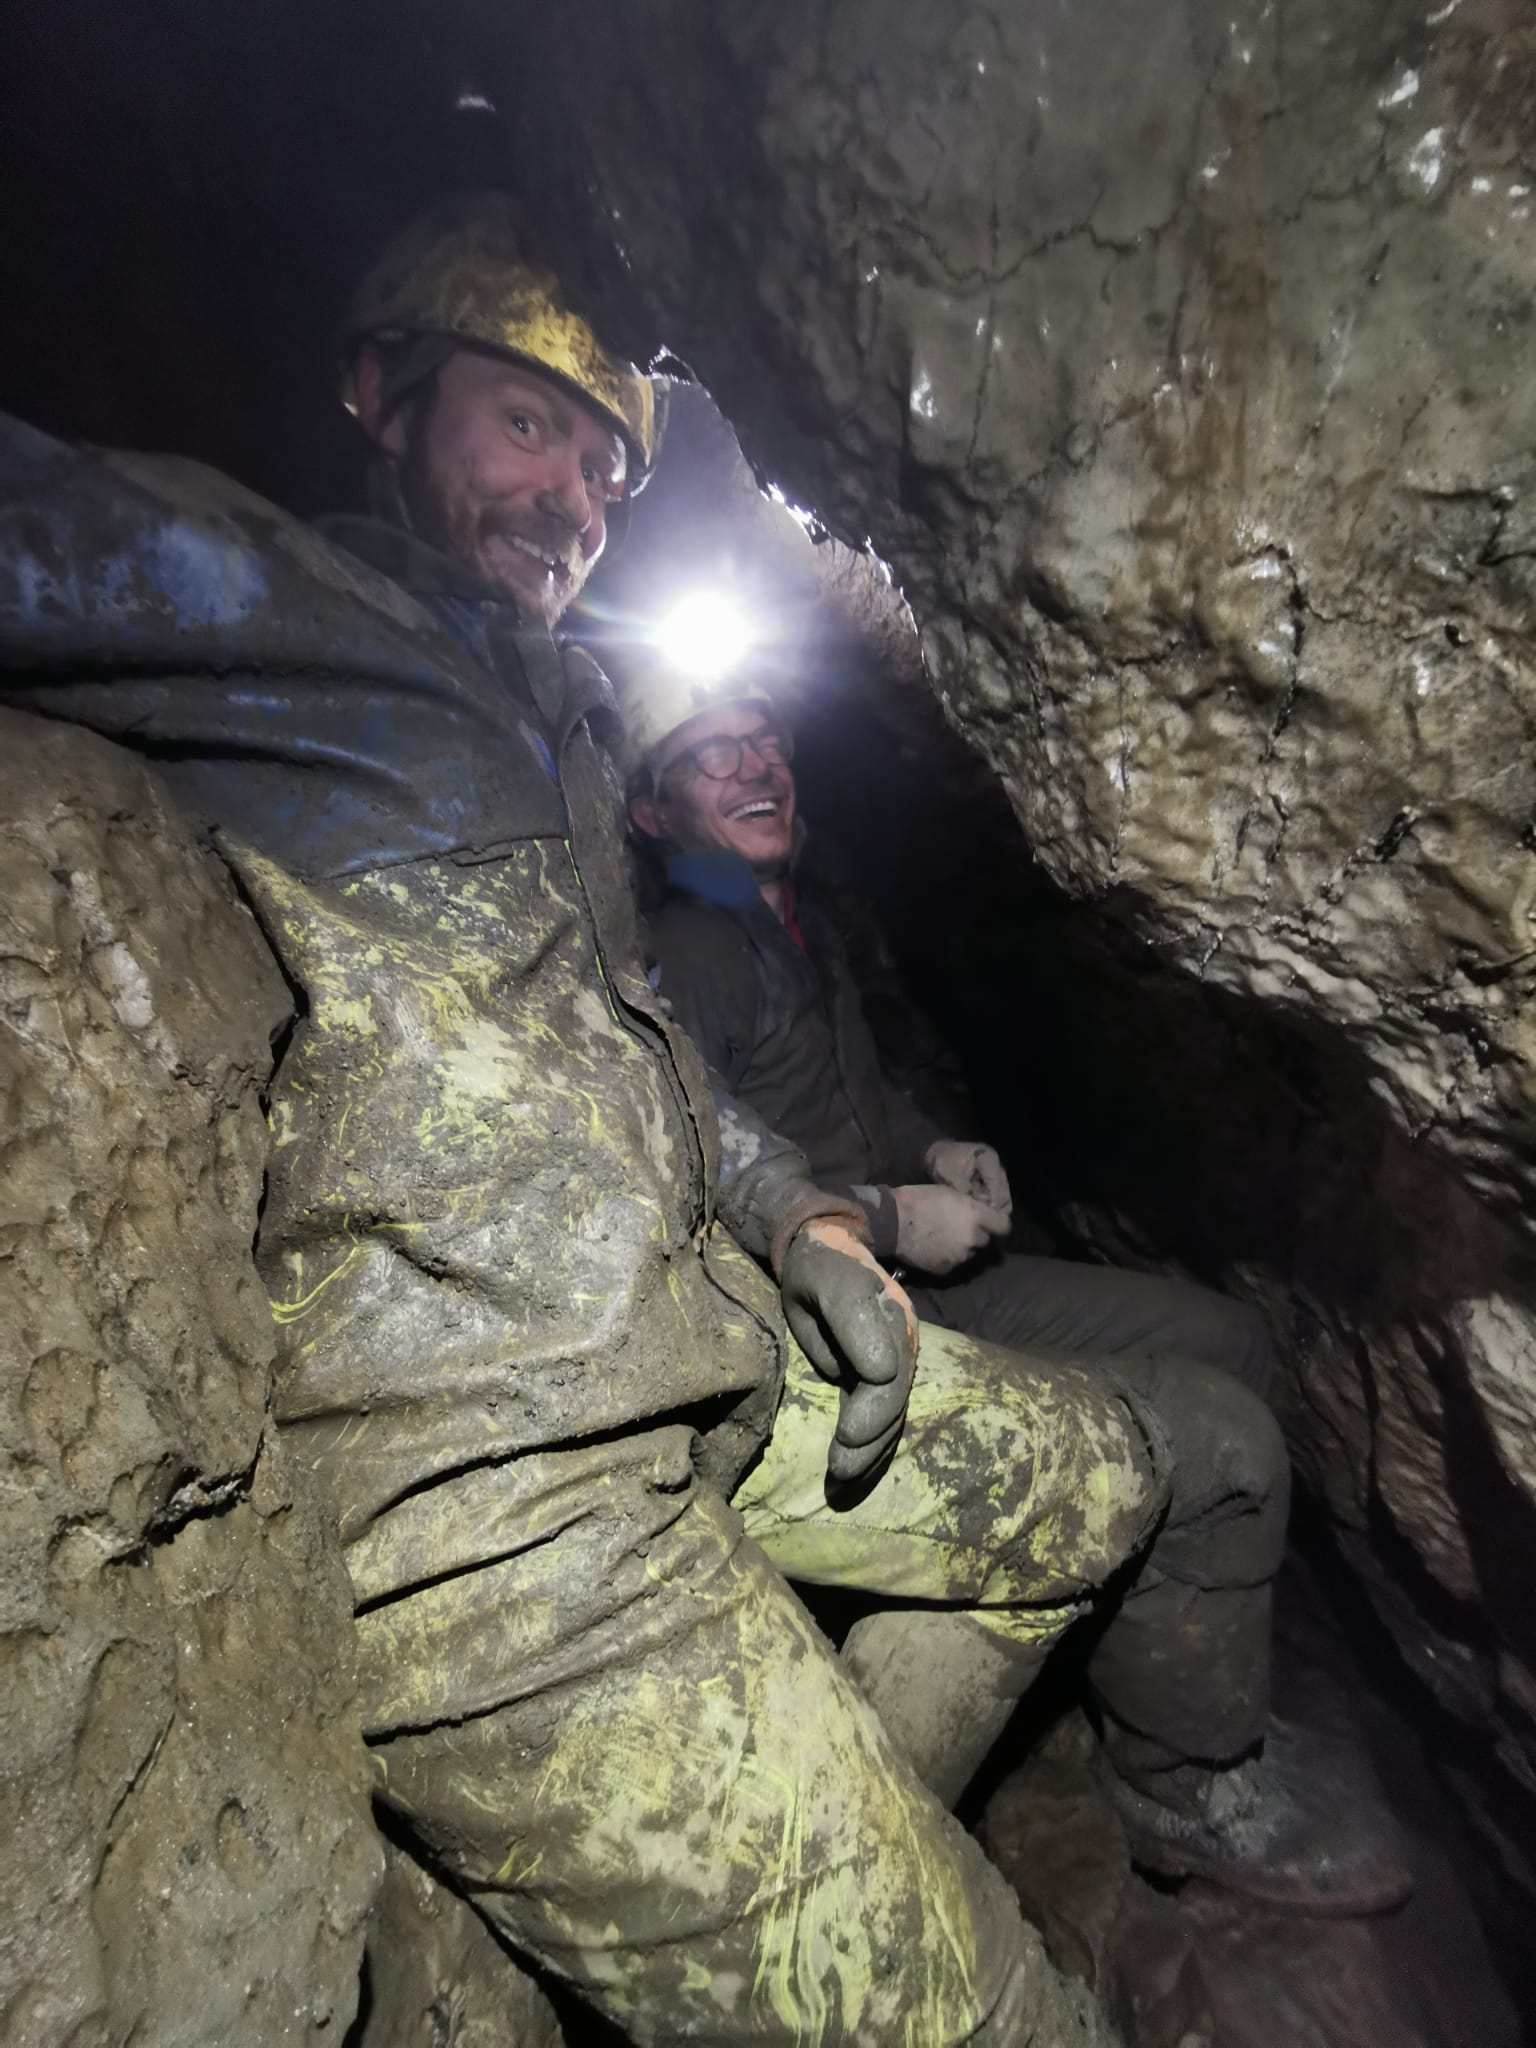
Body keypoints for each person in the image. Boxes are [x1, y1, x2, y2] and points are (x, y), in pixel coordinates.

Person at [0, 196, 1407, 2048]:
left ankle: (843, 1843)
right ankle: (848, 1937)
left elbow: (646, 1044)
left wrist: (804, 1218)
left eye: (601, 470)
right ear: (382, 396)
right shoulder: (272, 599)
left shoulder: (562, 723)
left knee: (1117, 1470)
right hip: (502, 1508)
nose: (568, 499)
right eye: (525, 425)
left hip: (706, 1367)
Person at [626, 682, 1279, 1400]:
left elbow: (860, 1090)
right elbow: (694, 1183)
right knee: (1209, 1407)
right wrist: (893, 1222)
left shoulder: (804, 930)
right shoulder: (688, 954)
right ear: (654, 815)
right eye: (716, 753)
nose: (757, 768)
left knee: (1236, 1341)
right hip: (839, 1320)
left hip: (923, 1279)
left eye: (766, 743)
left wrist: (935, 1150)